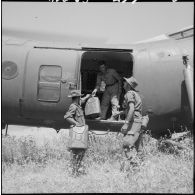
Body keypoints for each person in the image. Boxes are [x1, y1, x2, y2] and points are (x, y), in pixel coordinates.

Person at [64, 90, 90, 176]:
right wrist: (76, 123)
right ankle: (74, 173)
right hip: (78, 134)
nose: (81, 98)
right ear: (78, 97)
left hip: (81, 133)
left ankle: (76, 172)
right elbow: (67, 117)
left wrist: (87, 96)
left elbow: (81, 101)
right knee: (76, 154)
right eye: (80, 97)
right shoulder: (74, 106)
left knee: (80, 154)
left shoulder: (77, 105)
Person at [120, 76, 143, 165]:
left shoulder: (129, 93)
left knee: (127, 144)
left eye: (125, 82)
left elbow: (132, 109)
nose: (123, 83)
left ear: (128, 85)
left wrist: (126, 123)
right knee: (138, 147)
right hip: (138, 121)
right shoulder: (135, 94)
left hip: (133, 122)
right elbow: (132, 108)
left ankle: (133, 166)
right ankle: (140, 167)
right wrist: (119, 113)